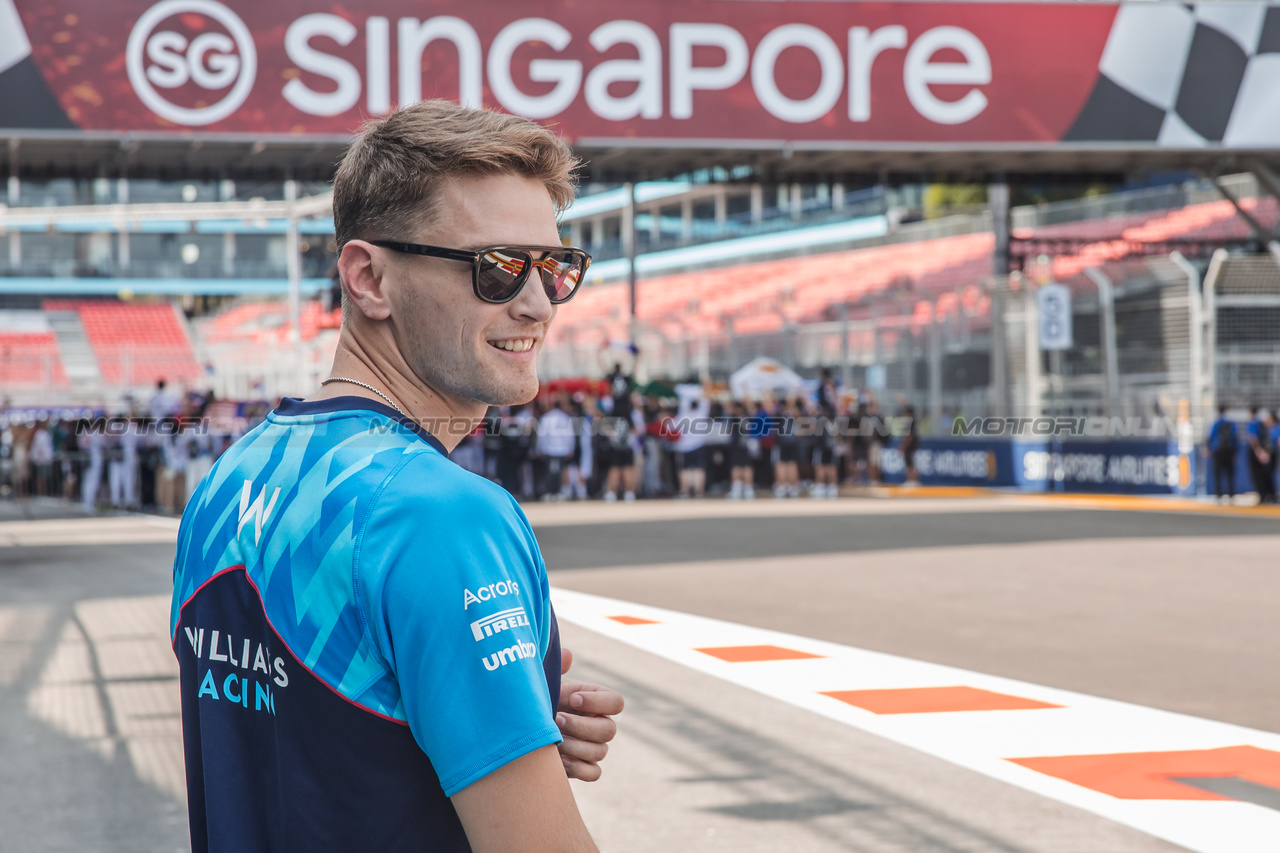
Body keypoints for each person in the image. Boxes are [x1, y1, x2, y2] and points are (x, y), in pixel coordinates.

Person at [171, 100, 620, 853]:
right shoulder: (441, 514)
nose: (539, 304)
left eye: (556, 267)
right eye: (499, 267)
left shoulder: (226, 481)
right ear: (369, 278)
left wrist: (495, 714)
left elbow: (301, 742)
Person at [1207, 404, 1238, 502]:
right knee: (1230, 474)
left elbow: (1210, 436)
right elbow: (1235, 437)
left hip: (1218, 451)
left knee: (1217, 473)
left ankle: (1219, 494)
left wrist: (1209, 448)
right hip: (1229, 450)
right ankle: (1231, 493)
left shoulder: (1216, 423)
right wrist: (1235, 452)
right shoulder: (1230, 424)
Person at [1246, 405, 1276, 504]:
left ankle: (1263, 495)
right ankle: (1269, 494)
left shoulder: (1253, 423)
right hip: (1265, 452)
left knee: (1257, 475)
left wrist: (1259, 451)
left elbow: (1253, 438)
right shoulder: (1262, 423)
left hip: (1257, 452)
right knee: (1265, 474)